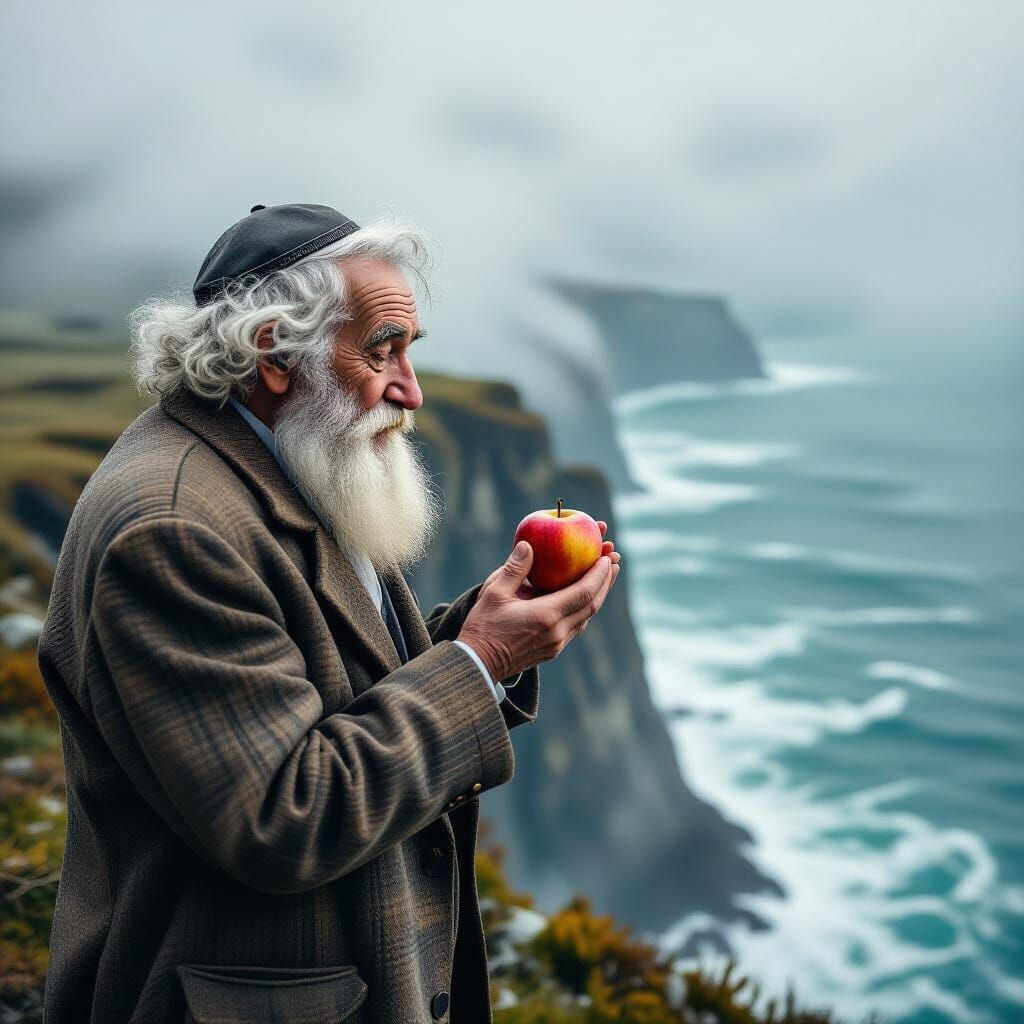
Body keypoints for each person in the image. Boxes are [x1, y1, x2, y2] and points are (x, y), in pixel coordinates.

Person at [36, 203, 621, 1023]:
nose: (409, 391)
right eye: (382, 351)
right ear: (275, 352)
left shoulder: (289, 461)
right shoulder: (170, 528)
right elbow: (283, 814)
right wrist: (479, 663)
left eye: (409, 351)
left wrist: (487, 638)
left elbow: (334, 698)